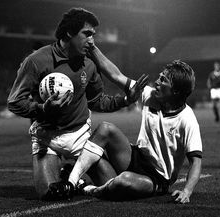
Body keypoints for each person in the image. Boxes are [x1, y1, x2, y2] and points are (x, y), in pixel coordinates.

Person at [7, 7, 148, 201]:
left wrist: (125, 100)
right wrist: (42, 109)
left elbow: (97, 101)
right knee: (50, 194)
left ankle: (76, 177)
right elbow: (14, 102)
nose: (92, 40)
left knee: (112, 185)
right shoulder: (36, 61)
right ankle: (72, 175)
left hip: (80, 136)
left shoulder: (88, 64)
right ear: (69, 33)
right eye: (87, 34)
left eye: (93, 35)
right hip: (48, 138)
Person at [60, 47, 202, 204]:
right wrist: (92, 48)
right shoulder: (150, 94)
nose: (157, 82)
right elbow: (115, 75)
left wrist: (187, 191)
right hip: (135, 156)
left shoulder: (187, 119)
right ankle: (71, 182)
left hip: (157, 178)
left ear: (175, 91)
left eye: (163, 80)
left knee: (123, 180)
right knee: (105, 128)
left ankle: (89, 189)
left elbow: (196, 162)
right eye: (160, 77)